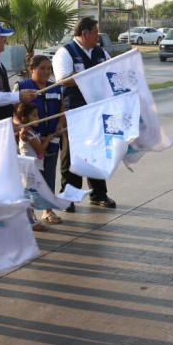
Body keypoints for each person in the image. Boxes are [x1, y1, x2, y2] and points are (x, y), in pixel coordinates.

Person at [52, 17, 116, 210]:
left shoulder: (100, 52)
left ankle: (98, 194)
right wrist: (93, 76)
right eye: (95, 32)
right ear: (85, 33)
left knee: (96, 152)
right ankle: (69, 197)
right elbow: (64, 80)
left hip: (97, 110)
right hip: (74, 112)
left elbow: (110, 73)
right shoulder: (65, 53)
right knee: (71, 156)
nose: (98, 36)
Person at [13, 54, 64, 196]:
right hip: (30, 142)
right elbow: (13, 112)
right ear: (31, 69)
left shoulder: (55, 87)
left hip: (51, 140)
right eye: (42, 68)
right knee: (30, 181)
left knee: (49, 179)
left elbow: (62, 109)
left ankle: (48, 207)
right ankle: (31, 207)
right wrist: (21, 126)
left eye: (49, 68)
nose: (46, 72)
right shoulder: (21, 87)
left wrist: (60, 124)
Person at [15, 101, 62, 230]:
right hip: (30, 169)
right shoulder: (27, 133)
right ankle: (30, 220)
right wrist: (48, 140)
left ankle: (31, 218)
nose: (38, 118)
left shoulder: (31, 132)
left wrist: (44, 138)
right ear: (25, 118)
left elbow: (36, 142)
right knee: (30, 194)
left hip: (33, 168)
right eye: (34, 115)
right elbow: (40, 149)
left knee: (32, 193)